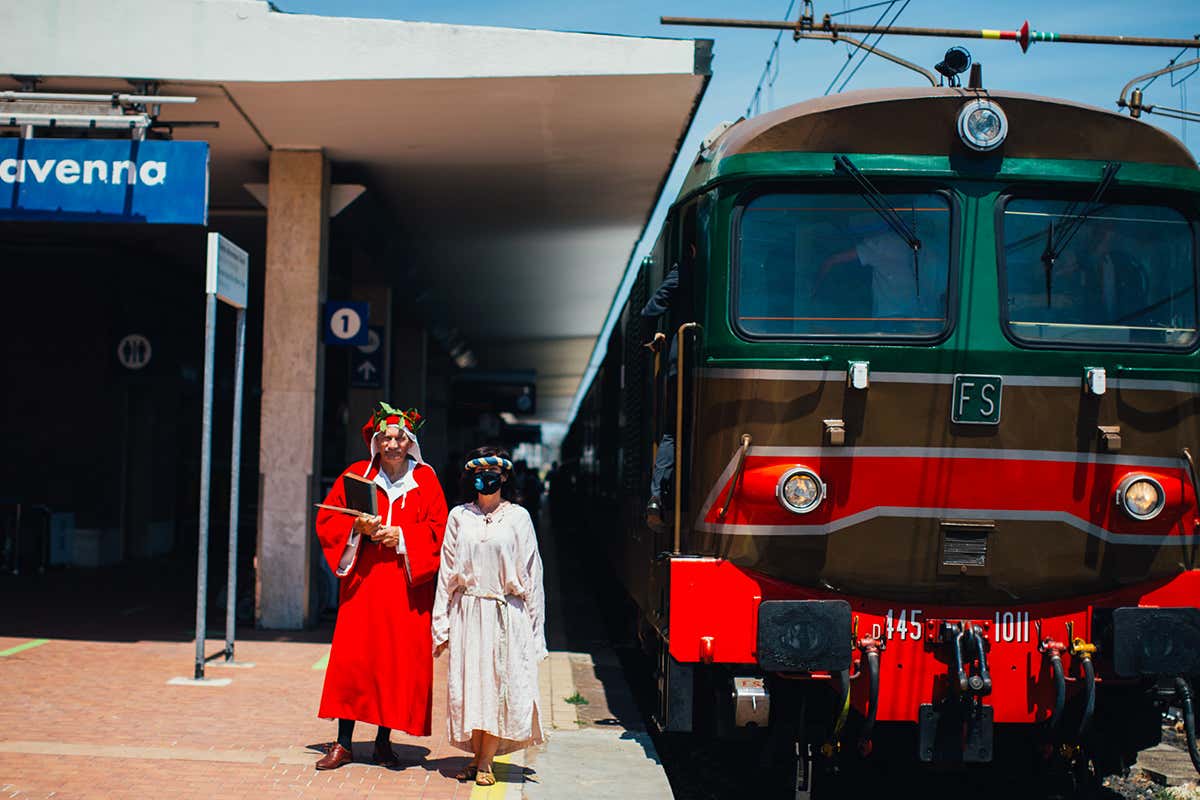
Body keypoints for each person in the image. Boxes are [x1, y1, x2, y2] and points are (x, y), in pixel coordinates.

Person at [313, 402, 449, 770]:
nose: (392, 444)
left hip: (405, 589)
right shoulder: (356, 476)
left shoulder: (427, 481)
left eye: (399, 438)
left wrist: (401, 536)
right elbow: (328, 518)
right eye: (386, 437)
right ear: (376, 441)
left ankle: (383, 742)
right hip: (364, 585)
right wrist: (356, 529)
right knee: (354, 662)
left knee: (394, 662)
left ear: (410, 442)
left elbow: (440, 531)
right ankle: (343, 744)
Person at [432, 446, 547, 787]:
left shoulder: (518, 518)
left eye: (493, 472)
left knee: (498, 684)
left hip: (504, 614)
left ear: (505, 476)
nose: (486, 479)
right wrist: (442, 623)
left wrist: (534, 629)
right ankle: (476, 756)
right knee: (472, 686)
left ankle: (485, 762)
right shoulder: (459, 517)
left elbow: (532, 575)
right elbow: (446, 572)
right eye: (479, 473)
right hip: (467, 612)